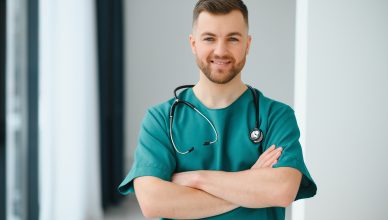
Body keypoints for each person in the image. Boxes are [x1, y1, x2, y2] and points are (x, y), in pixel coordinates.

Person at [118, 0, 317, 219]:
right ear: (193, 44)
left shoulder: (276, 116)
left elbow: (281, 191)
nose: (220, 51)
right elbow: (153, 202)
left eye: (232, 39)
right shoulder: (161, 119)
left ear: (247, 44)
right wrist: (250, 184)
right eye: (209, 38)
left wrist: (196, 179)